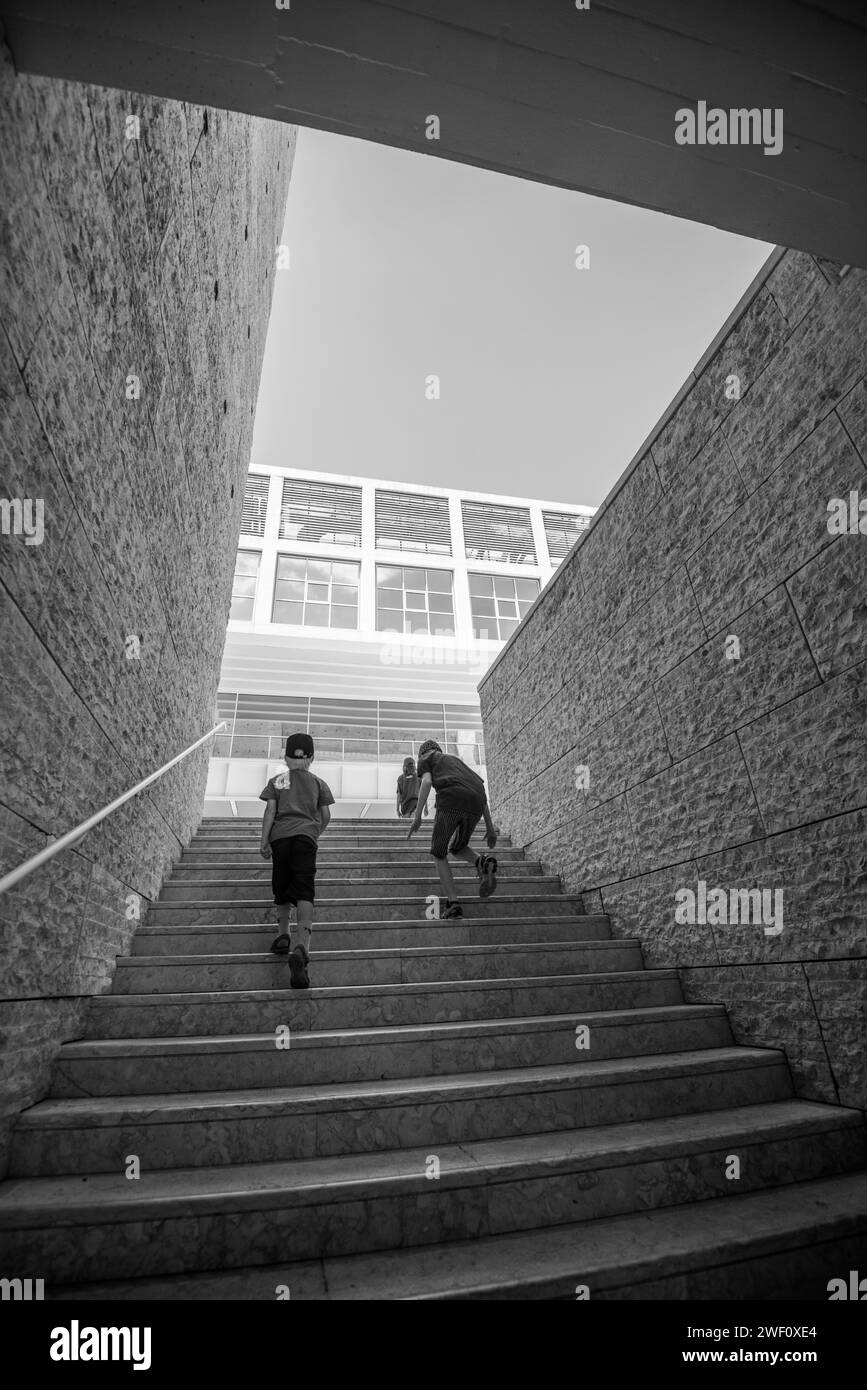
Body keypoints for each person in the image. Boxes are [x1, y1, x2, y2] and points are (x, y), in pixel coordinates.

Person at [259, 732, 334, 988]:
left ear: (286, 756)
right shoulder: (317, 783)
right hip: (306, 839)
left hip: (280, 839)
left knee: (281, 884)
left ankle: (282, 934)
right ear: (311, 757)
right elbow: (326, 815)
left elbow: (270, 811)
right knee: (304, 890)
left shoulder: (278, 781)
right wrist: (314, 832)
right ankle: (302, 945)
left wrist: (264, 841)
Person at [407, 738, 498, 919]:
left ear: (422, 753)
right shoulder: (456, 761)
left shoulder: (426, 758)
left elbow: (426, 783)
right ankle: (483, 862)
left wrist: (417, 817)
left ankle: (453, 903)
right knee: (458, 848)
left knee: (438, 852)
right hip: (476, 803)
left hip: (451, 800)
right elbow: (481, 789)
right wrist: (490, 827)